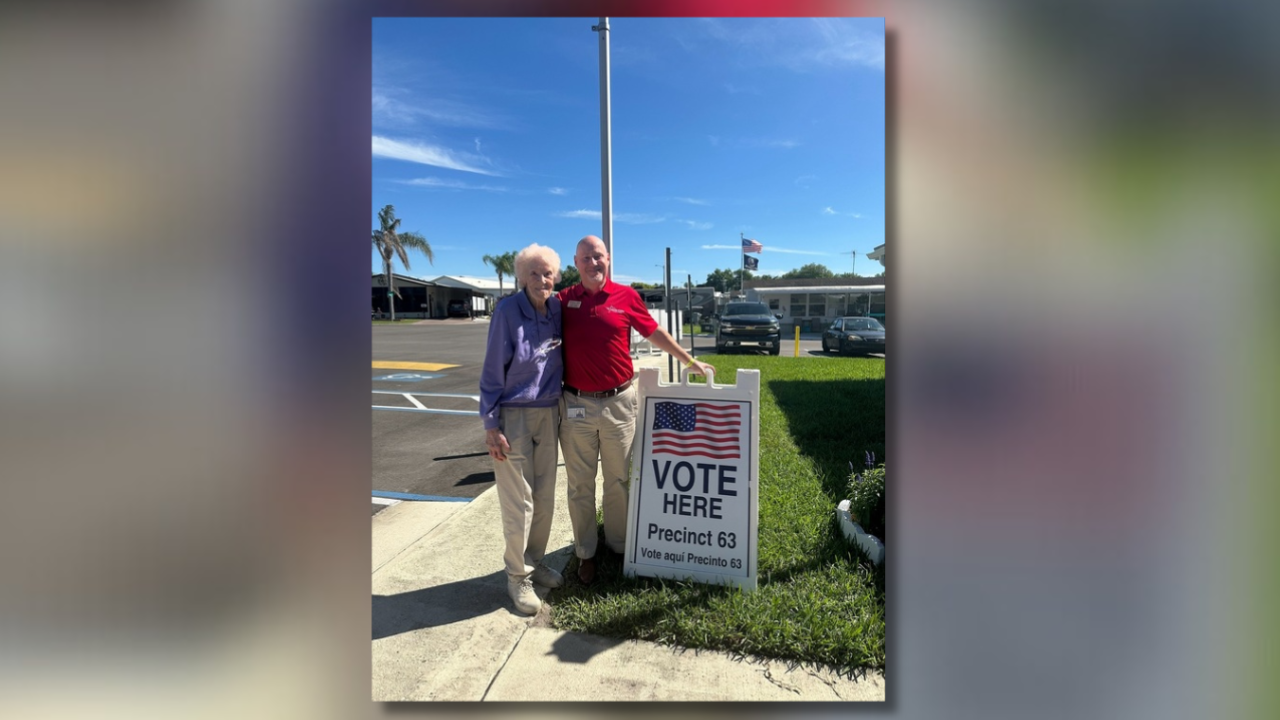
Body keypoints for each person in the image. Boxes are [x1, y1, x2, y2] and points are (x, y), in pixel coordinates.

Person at [559, 235, 714, 584]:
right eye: (585, 258)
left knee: (618, 481)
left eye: (597, 256)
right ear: (575, 262)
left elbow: (653, 331)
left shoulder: (626, 297)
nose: (592, 263)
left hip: (619, 403)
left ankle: (619, 545)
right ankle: (586, 552)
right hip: (575, 405)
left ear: (608, 259)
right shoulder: (563, 300)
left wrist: (688, 360)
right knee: (579, 485)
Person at [479, 243, 566, 615]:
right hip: (513, 415)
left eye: (547, 273)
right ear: (521, 276)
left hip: (549, 412)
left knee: (545, 496)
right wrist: (490, 425)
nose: (541, 279)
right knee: (520, 502)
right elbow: (491, 371)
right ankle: (516, 576)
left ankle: (534, 559)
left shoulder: (557, 309)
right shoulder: (506, 311)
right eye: (533, 272)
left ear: (556, 277)